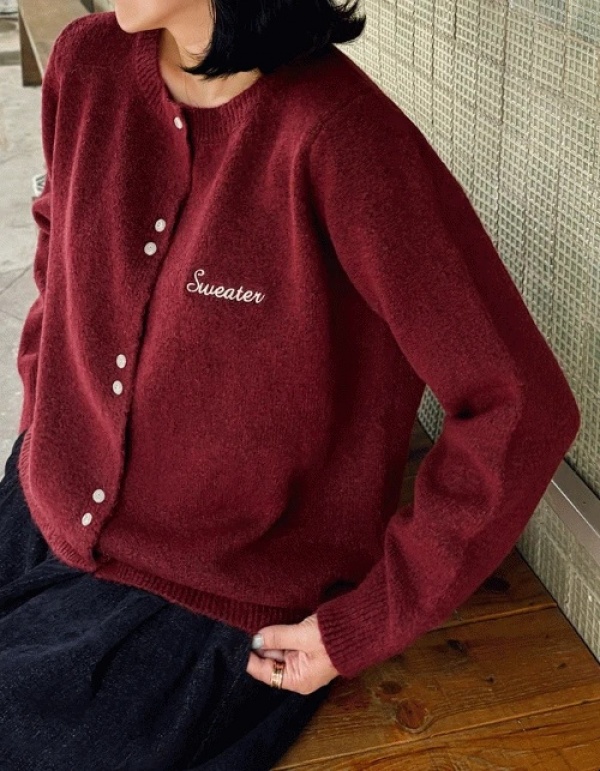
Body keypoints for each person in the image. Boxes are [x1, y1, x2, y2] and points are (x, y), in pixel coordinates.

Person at [0, 0, 581, 768]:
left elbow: (520, 402)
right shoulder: (85, 63)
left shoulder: (343, 139)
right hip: (37, 508)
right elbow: (58, 251)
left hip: (207, 600)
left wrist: (365, 622)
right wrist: (44, 415)